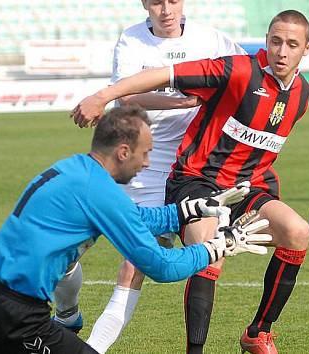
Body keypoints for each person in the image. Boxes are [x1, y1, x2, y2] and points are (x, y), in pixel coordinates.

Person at [73, 10, 309, 354]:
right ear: (266, 41)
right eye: (275, 41)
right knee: (211, 247)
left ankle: (258, 332)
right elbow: (163, 74)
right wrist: (104, 96)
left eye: (292, 44)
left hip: (248, 187)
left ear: (306, 49)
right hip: (198, 181)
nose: (282, 52)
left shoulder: (302, 94)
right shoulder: (238, 70)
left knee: (298, 232)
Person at [0, 105, 271, 354]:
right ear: (123, 152)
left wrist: (188, 209)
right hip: (14, 314)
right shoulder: (98, 192)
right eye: (145, 152)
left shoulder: (76, 169)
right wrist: (218, 247)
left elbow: (134, 217)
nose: (148, 163)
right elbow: (162, 267)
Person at [52, 1, 247, 352]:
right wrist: (180, 101)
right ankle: (67, 314)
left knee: (137, 265)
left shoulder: (213, 40)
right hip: (139, 172)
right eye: (157, 1)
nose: (166, 9)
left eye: (173, 0)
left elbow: (246, 74)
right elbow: (124, 97)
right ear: (145, 3)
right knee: (64, 256)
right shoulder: (132, 41)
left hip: (190, 173)